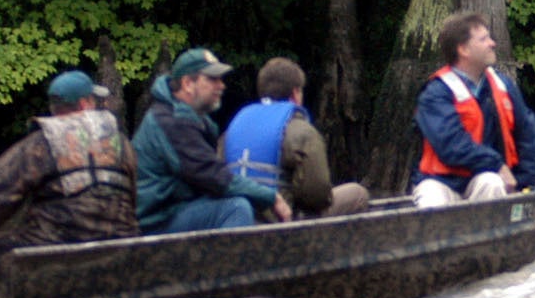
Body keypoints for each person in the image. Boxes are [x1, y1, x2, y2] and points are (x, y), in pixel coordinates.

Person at [0, 70, 139, 281]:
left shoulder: (40, 144)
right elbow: (134, 198)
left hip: (52, 249)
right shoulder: (121, 143)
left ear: (54, 108)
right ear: (85, 104)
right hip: (119, 244)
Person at [134, 46, 291, 233]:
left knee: (237, 201)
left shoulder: (183, 117)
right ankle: (231, 263)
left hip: (176, 211)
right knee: (235, 208)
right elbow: (215, 177)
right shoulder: (171, 122)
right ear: (187, 83)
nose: (221, 86)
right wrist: (271, 197)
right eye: (212, 79)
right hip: (157, 222)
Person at [412, 11, 535, 208]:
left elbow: (527, 132)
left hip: (485, 178)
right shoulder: (436, 93)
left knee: (492, 183)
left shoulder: (503, 85)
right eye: (484, 39)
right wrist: (497, 164)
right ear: (464, 49)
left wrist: (524, 182)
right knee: (431, 199)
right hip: (441, 182)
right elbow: (451, 146)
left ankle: (494, 236)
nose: (492, 43)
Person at [221, 57, 370, 219]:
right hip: (280, 219)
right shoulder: (301, 131)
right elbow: (317, 196)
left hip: (235, 216)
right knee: (358, 193)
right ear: (295, 93)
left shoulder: (232, 128)